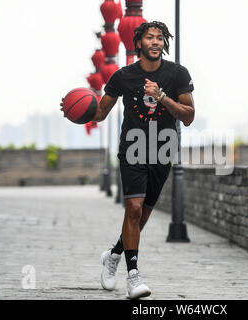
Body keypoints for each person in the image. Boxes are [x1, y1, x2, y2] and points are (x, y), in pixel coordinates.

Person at [91, 21, 195, 299]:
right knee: (134, 209)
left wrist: (161, 97)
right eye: (150, 37)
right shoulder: (123, 76)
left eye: (160, 38)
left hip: (163, 151)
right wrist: (80, 112)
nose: (156, 42)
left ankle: (114, 255)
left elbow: (188, 115)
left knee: (142, 215)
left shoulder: (177, 74)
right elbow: (100, 112)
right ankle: (133, 276)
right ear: (139, 43)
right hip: (133, 149)